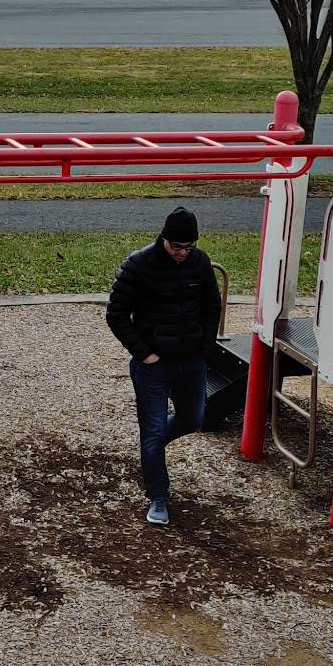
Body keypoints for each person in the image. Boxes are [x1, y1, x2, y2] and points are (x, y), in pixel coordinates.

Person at [105, 206, 220, 526]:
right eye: (177, 246)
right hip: (153, 365)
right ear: (164, 239)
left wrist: (205, 347)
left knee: (192, 419)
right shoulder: (138, 265)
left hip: (191, 360)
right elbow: (116, 314)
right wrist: (145, 354)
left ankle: (149, 445)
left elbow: (212, 306)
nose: (183, 253)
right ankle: (158, 497)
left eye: (189, 247)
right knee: (153, 432)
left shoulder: (200, 262)